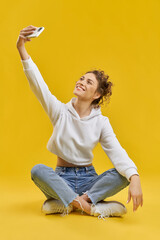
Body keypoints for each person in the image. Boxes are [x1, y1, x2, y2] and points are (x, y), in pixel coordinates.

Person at [16, 25, 143, 220]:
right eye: (82, 78)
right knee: (38, 170)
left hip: (89, 180)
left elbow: (117, 152)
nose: (81, 82)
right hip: (61, 178)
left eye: (89, 82)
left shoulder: (101, 122)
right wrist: (22, 49)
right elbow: (38, 84)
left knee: (122, 174)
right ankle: (90, 207)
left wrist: (135, 177)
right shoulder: (59, 111)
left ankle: (68, 203)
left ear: (97, 94)